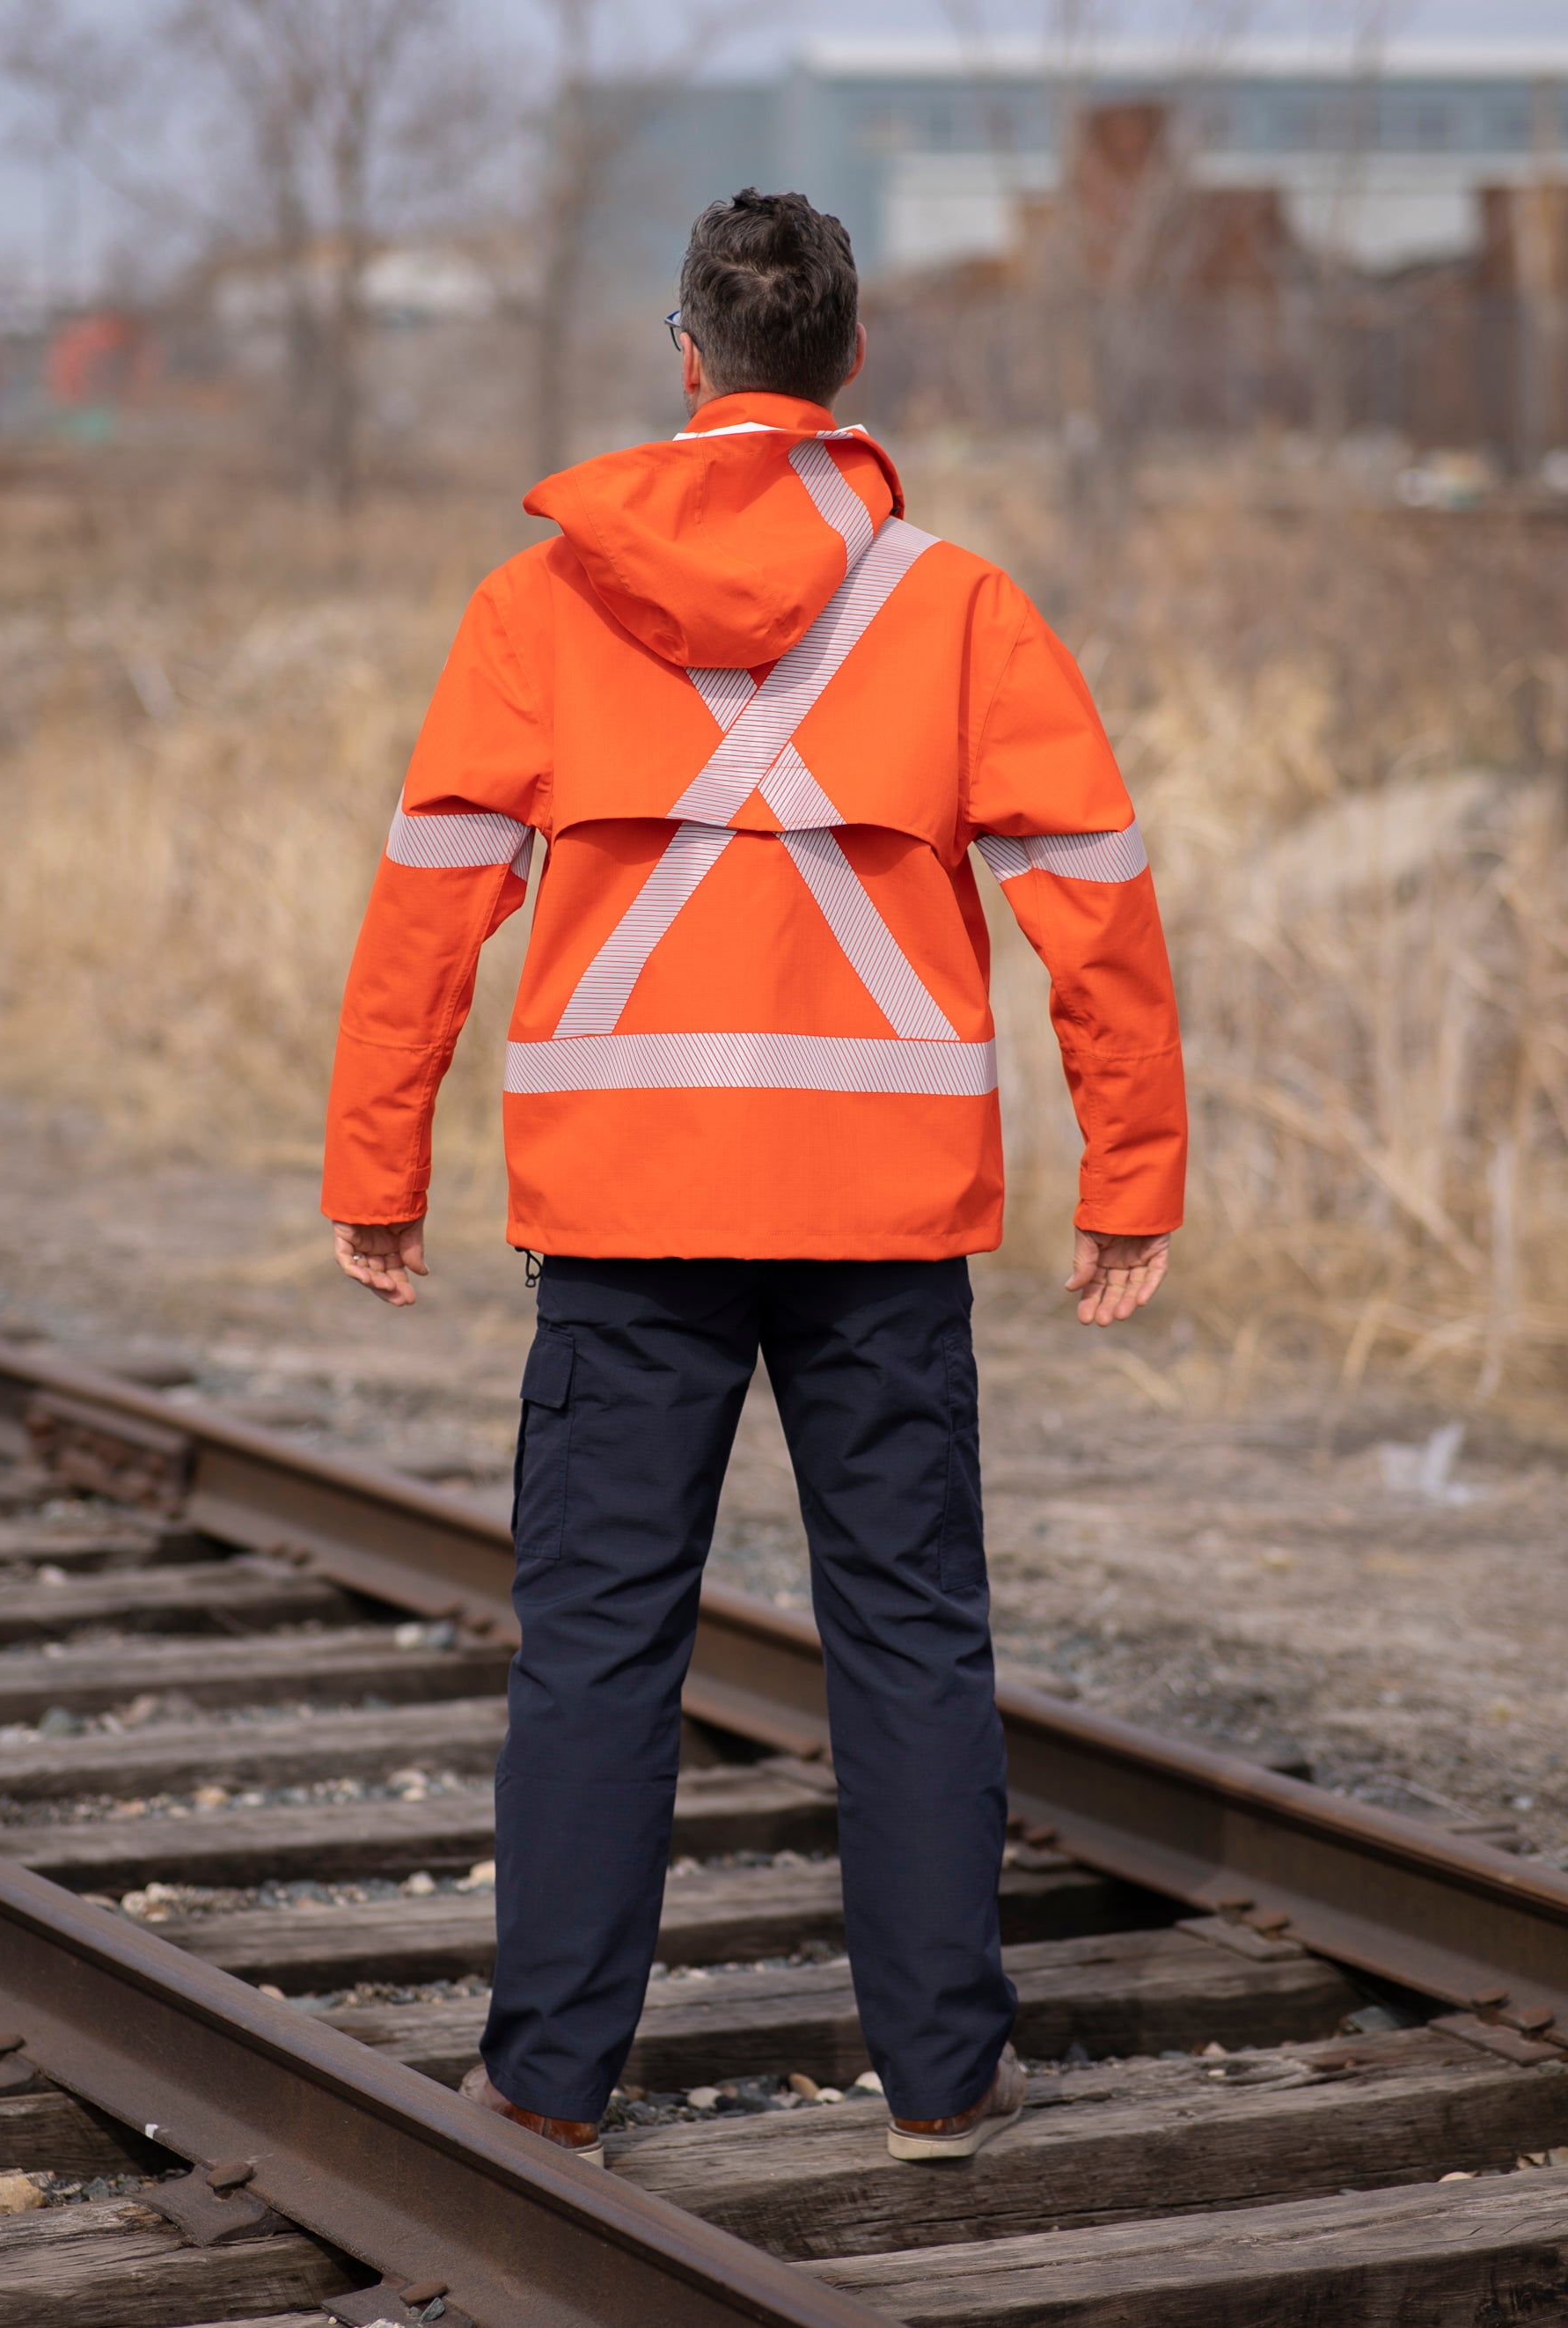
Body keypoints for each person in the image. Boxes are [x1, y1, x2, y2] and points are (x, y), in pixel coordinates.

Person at [321, 188, 1185, 2166]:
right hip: (883, 1224)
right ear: (852, 363)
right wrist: (1128, 1173)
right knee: (908, 1630)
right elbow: (1098, 912)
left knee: (603, 1639)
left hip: (626, 1215)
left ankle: (546, 2089)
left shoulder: (536, 606)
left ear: (685, 354)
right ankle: (946, 2079)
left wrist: (379, 1158)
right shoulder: (957, 606)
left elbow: (426, 916)